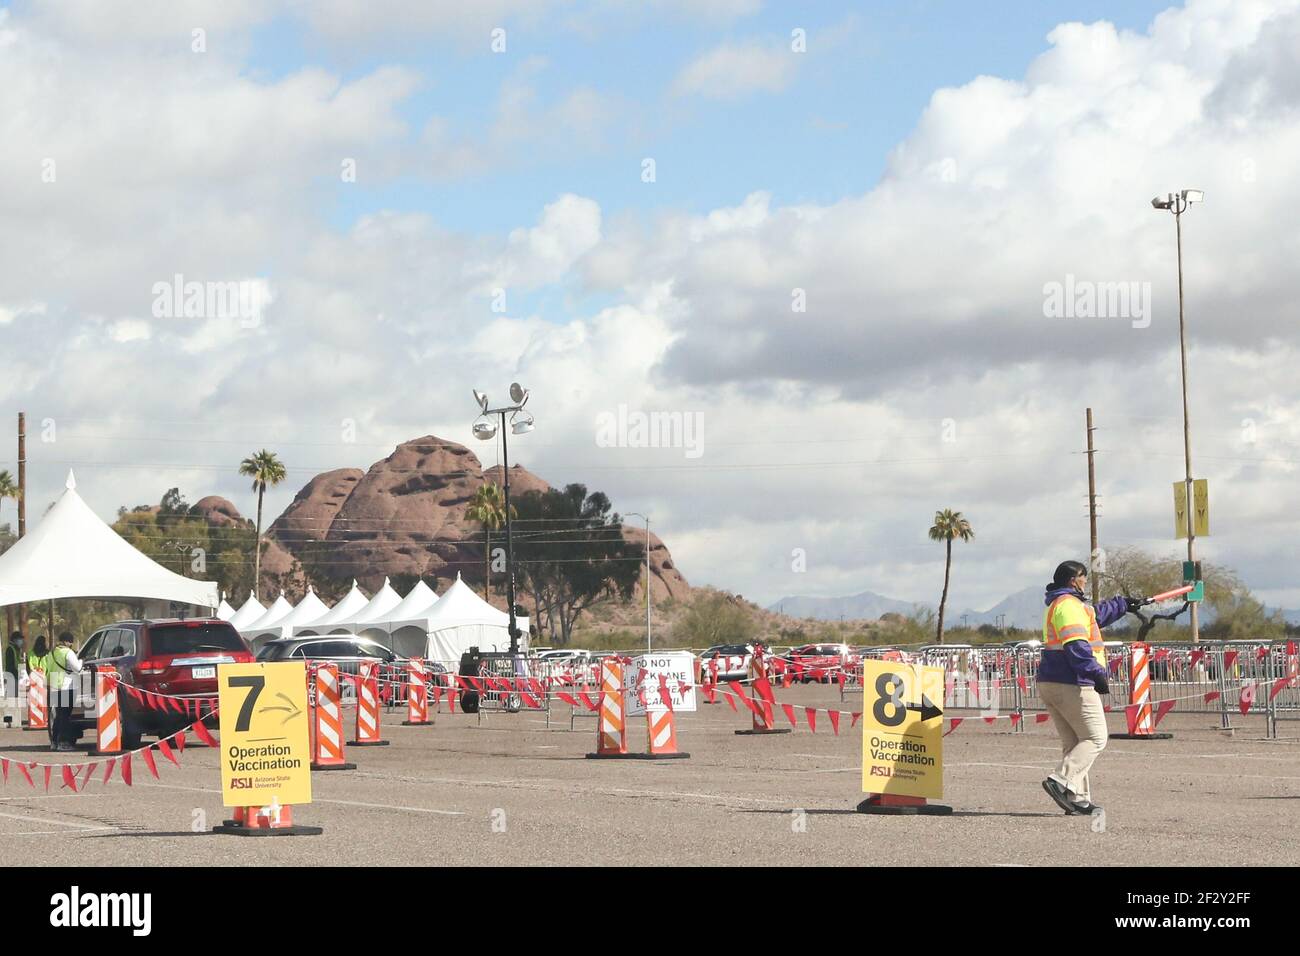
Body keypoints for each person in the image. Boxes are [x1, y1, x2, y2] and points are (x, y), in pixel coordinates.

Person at [1039, 560, 1141, 816]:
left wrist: (1123, 605)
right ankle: (1061, 780)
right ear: (1075, 580)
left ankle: (1078, 798)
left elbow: (1096, 614)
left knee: (1074, 742)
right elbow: (1077, 647)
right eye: (1084, 577)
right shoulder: (1069, 606)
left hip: (1052, 681)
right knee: (1096, 738)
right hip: (1071, 683)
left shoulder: (1062, 605)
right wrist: (1096, 673)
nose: (1086, 581)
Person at [45, 632, 83, 752]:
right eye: (70, 642)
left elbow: (48, 669)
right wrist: (82, 661)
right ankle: (63, 743)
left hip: (54, 687)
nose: (71, 644)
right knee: (65, 716)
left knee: (58, 716)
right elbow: (77, 668)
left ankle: (54, 742)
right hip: (66, 687)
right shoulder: (68, 653)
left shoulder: (52, 653)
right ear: (68, 642)